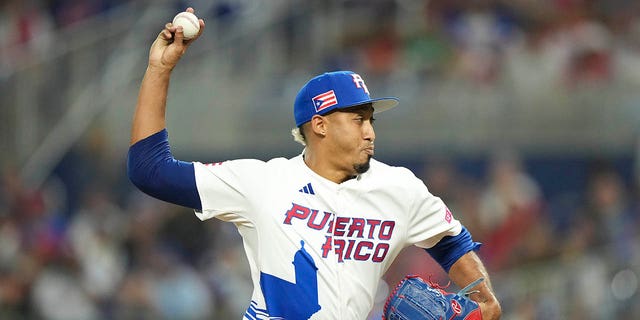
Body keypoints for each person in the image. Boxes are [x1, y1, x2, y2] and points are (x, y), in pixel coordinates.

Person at [127, 8, 501, 320]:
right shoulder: (262, 182)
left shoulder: (400, 188)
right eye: (357, 120)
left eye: (371, 119)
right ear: (319, 125)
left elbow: (451, 242)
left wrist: (485, 299)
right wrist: (159, 70)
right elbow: (150, 170)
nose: (370, 131)